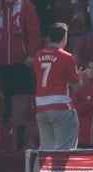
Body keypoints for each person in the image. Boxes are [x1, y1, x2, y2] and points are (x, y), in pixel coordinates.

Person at [33, 22, 81, 150]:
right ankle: (61, 171)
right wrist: (82, 77)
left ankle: (38, 171)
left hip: (41, 108)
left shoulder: (38, 56)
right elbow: (76, 87)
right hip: (61, 107)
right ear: (65, 38)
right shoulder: (67, 57)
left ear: (49, 38)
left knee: (45, 150)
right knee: (65, 150)